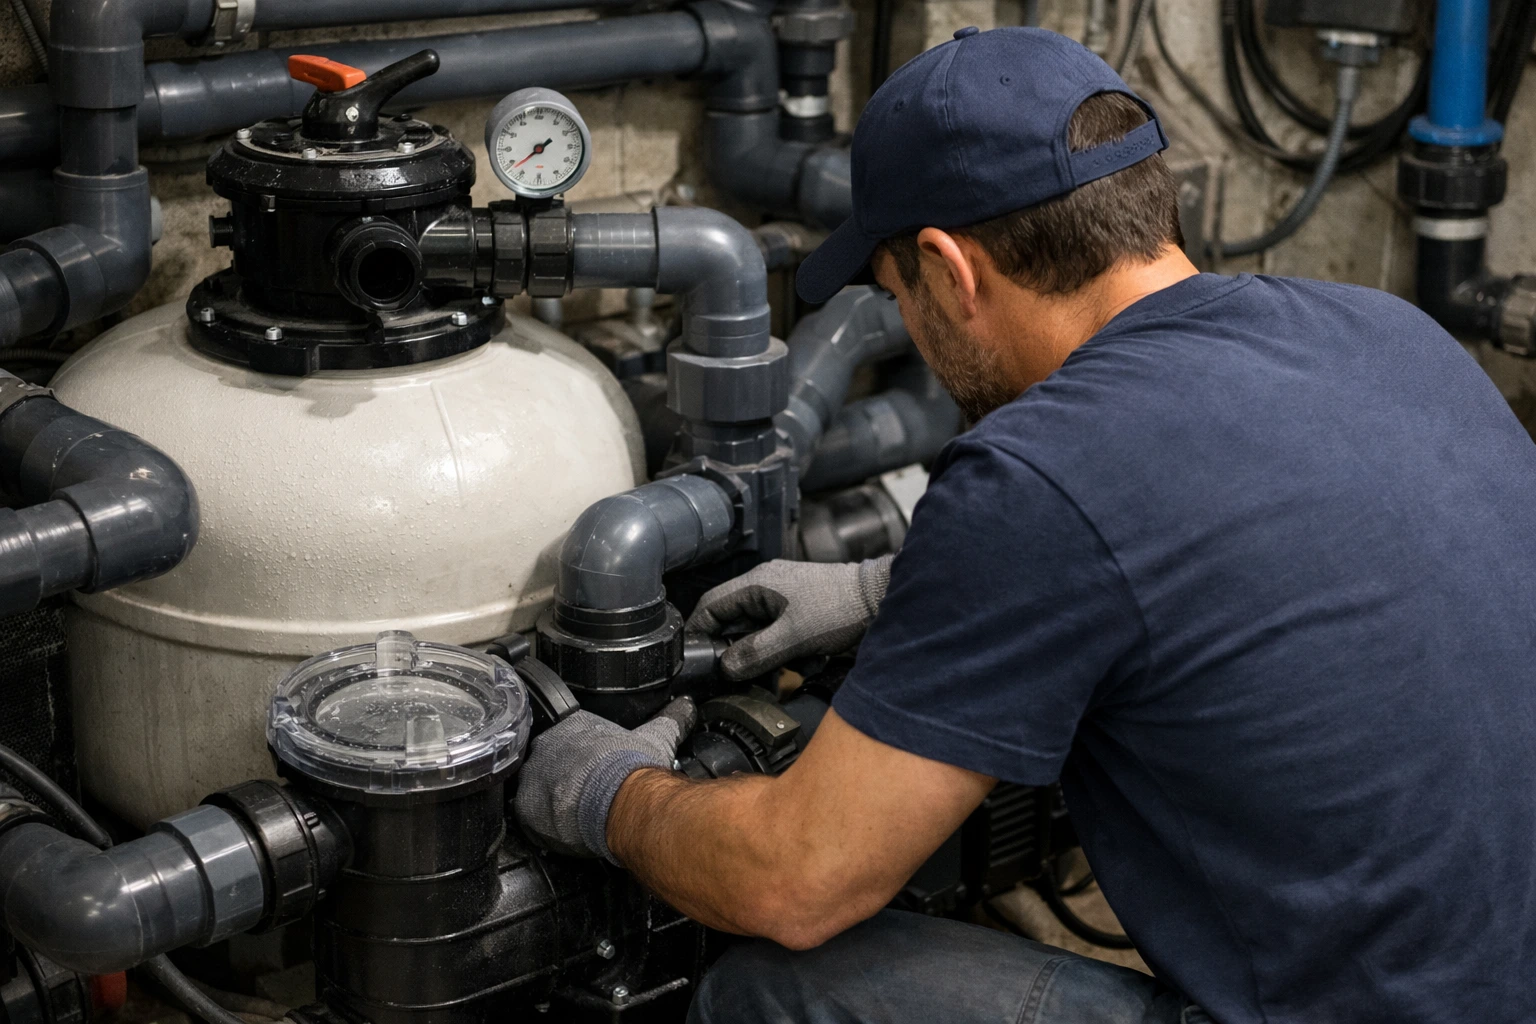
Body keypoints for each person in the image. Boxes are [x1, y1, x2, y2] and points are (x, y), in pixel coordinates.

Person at [513, 25, 1536, 1024]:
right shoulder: (1390, 331)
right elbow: (1238, 538)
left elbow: (794, 881)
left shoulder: (1040, 472)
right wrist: (886, 590)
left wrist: (606, 790)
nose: (907, 325)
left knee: (764, 986)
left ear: (950, 270)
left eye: (894, 295)